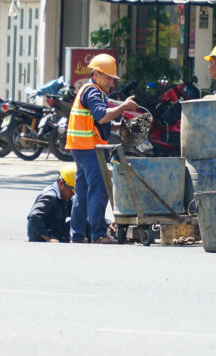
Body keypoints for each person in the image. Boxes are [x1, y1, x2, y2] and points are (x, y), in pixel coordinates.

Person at [66, 53, 138, 244]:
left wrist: (118, 126)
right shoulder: (93, 91)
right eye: (107, 77)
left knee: (82, 193)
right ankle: (98, 234)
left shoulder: (90, 91)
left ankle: (78, 235)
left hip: (81, 148)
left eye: (112, 79)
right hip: (89, 149)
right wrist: (123, 107)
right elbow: (101, 116)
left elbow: (99, 122)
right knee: (99, 189)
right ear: (96, 74)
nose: (111, 83)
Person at [26, 164, 76, 242]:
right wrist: (49, 238)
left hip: (58, 235)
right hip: (42, 240)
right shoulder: (49, 196)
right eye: (71, 190)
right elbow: (33, 216)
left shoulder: (65, 198)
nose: (73, 194)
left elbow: (77, 214)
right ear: (61, 183)